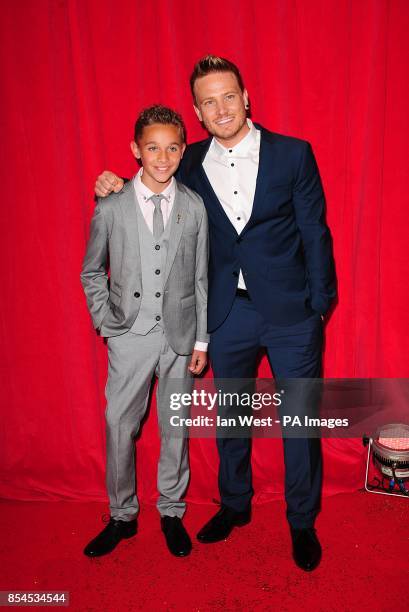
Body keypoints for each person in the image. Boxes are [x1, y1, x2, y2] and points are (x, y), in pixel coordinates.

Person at [95, 56, 336, 571]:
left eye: (229, 96)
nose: (221, 108)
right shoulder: (189, 160)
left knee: (300, 420)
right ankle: (234, 505)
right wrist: (112, 181)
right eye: (209, 101)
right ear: (199, 114)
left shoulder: (294, 155)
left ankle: (301, 520)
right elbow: (151, 177)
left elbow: (316, 231)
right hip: (227, 314)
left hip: (292, 311)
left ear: (246, 97)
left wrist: (321, 304)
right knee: (232, 416)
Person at [81, 105, 209, 558]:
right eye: (152, 147)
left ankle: (171, 510)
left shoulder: (193, 207)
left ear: (182, 151)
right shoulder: (111, 207)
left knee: (176, 426)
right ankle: (122, 515)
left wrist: (201, 340)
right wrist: (106, 323)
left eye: (172, 148)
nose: (162, 157)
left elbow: (200, 278)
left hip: (180, 336)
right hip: (128, 335)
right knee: (120, 425)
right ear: (136, 150)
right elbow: (92, 271)